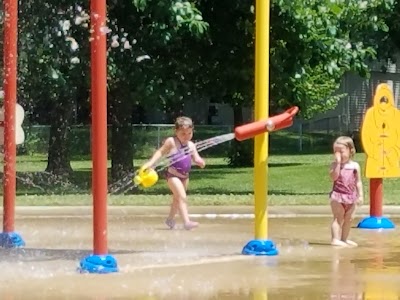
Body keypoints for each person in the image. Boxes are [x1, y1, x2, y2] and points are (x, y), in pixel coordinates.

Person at [142, 116, 205, 230]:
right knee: (181, 197)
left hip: (185, 177)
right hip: (173, 176)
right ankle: (187, 222)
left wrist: (200, 162)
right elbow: (160, 152)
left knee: (177, 200)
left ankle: (170, 219)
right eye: (183, 134)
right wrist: (151, 162)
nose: (186, 136)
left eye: (189, 133)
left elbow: (196, 158)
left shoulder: (191, 145)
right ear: (176, 131)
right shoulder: (172, 141)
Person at [329, 136, 363, 247]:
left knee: (349, 218)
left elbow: (358, 182)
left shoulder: (355, 166)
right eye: (336, 152)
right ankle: (335, 239)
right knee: (338, 217)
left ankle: (344, 239)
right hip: (337, 196)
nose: (338, 154)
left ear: (351, 151)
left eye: (341, 151)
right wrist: (338, 164)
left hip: (351, 197)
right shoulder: (334, 165)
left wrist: (360, 195)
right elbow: (334, 177)